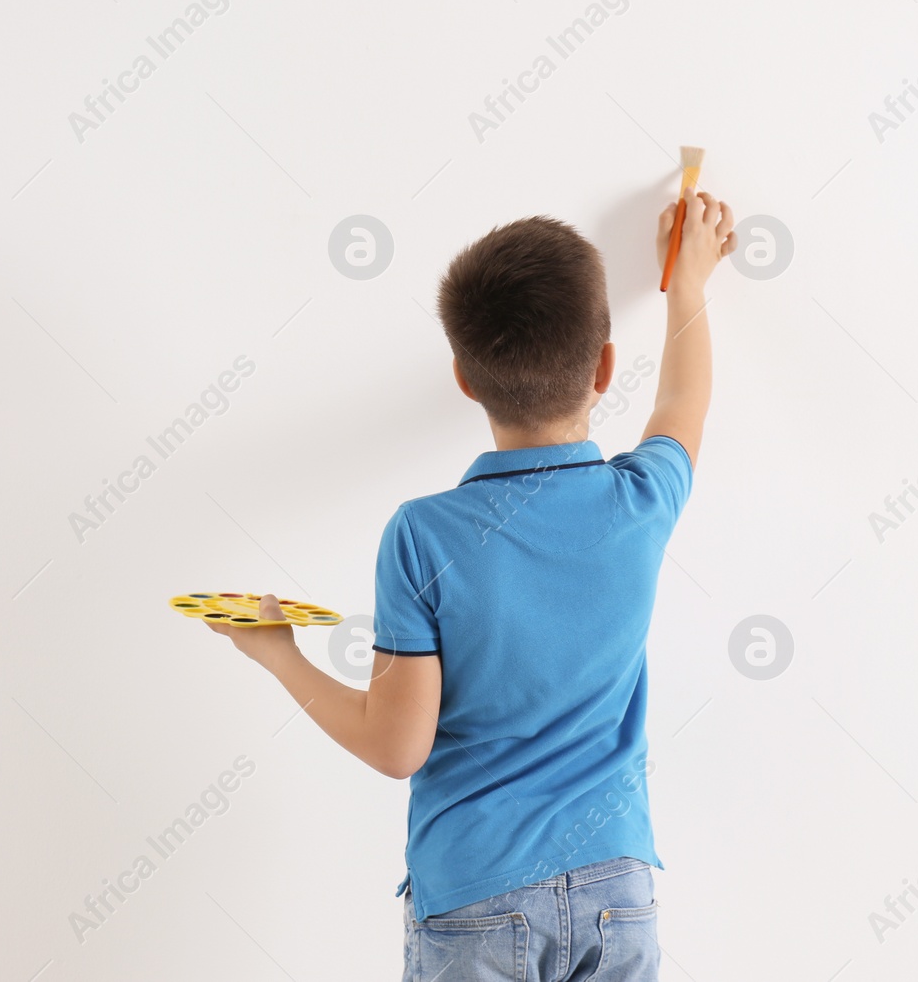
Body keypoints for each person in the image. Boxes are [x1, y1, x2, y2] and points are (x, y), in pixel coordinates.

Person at [205, 189, 735, 981]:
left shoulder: (423, 536)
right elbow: (683, 401)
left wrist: (278, 651)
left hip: (476, 900)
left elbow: (396, 746)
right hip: (616, 887)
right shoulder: (640, 502)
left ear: (461, 375)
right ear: (604, 366)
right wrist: (687, 281)